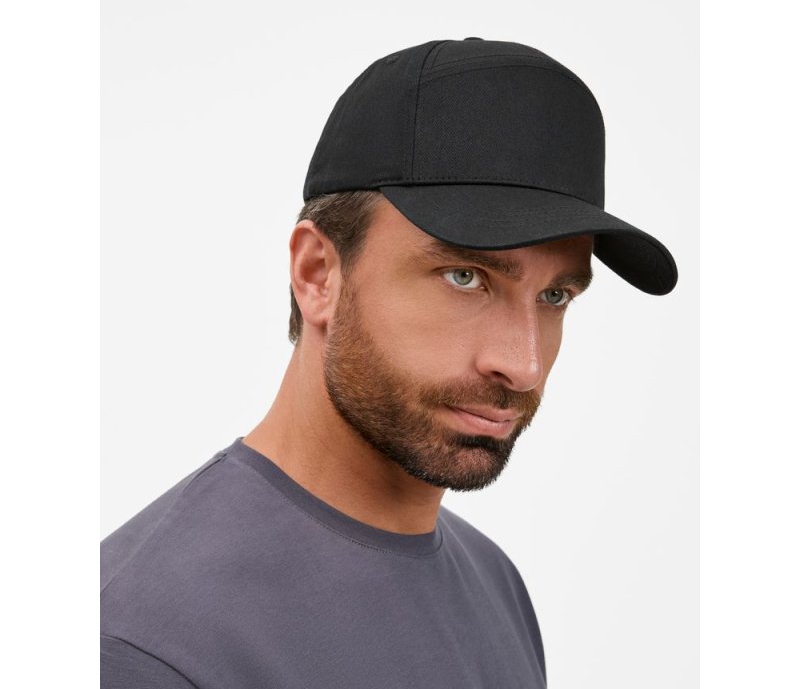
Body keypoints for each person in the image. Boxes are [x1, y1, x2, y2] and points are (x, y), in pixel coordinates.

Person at [100, 37, 677, 688]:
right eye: (465, 276)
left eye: (554, 296)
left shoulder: (495, 585)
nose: (523, 365)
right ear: (318, 274)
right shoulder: (140, 644)